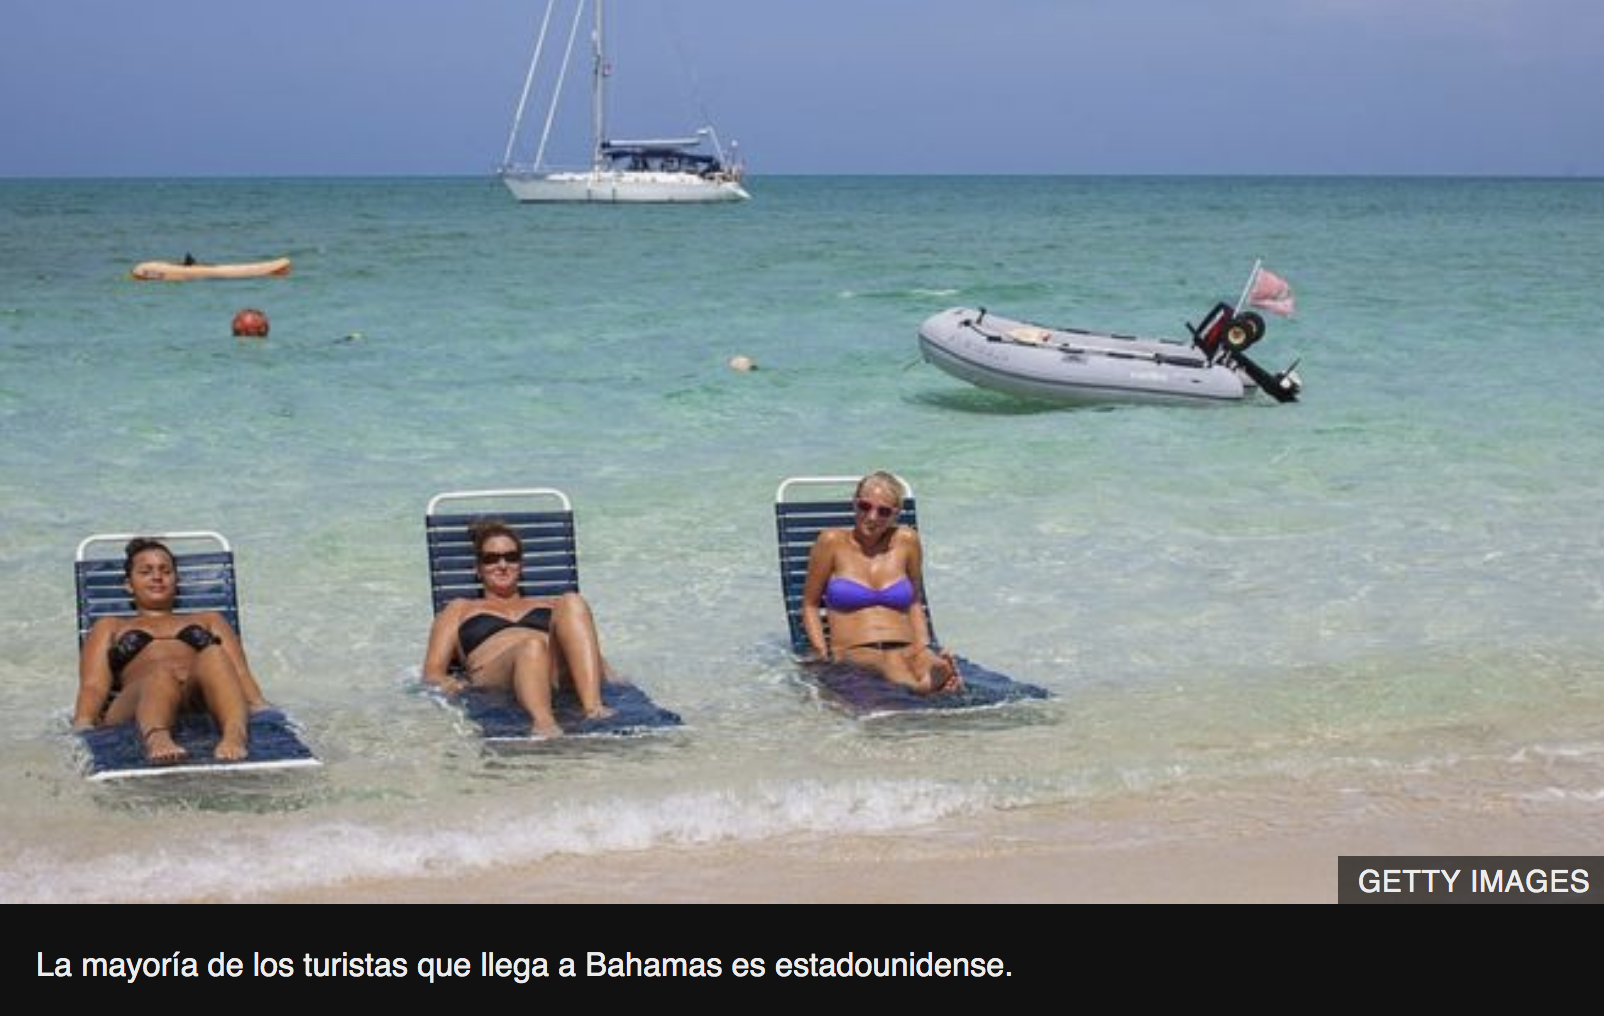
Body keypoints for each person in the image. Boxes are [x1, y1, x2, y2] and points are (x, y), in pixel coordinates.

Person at [74, 537, 271, 763]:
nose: (157, 577)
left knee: (214, 654)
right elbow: (93, 685)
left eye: (165, 571)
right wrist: (84, 721)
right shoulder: (111, 626)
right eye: (146, 571)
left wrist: (261, 708)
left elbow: (239, 672)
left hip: (194, 698)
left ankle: (234, 735)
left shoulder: (209, 619)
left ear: (176, 579)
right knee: (160, 673)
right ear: (128, 584)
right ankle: (157, 738)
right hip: (137, 701)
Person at [421, 519, 616, 738]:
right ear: (478, 568)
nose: (502, 565)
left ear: (521, 564)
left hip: (555, 671)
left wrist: (614, 678)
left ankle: (593, 708)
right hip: (498, 675)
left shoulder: (549, 604)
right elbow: (432, 672)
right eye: (491, 559)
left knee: (572, 600)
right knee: (531, 647)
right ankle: (544, 723)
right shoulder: (459, 609)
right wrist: (452, 685)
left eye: (511, 557)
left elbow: (583, 647)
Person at [800, 471, 963, 695]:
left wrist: (924, 649)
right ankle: (922, 686)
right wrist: (821, 654)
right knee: (883, 665)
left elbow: (915, 601)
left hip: (907, 646)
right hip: (856, 651)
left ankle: (931, 673)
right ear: (854, 504)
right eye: (865, 506)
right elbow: (809, 604)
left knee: (924, 662)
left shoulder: (906, 540)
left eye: (884, 511)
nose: (872, 517)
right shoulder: (831, 542)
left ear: (896, 514)